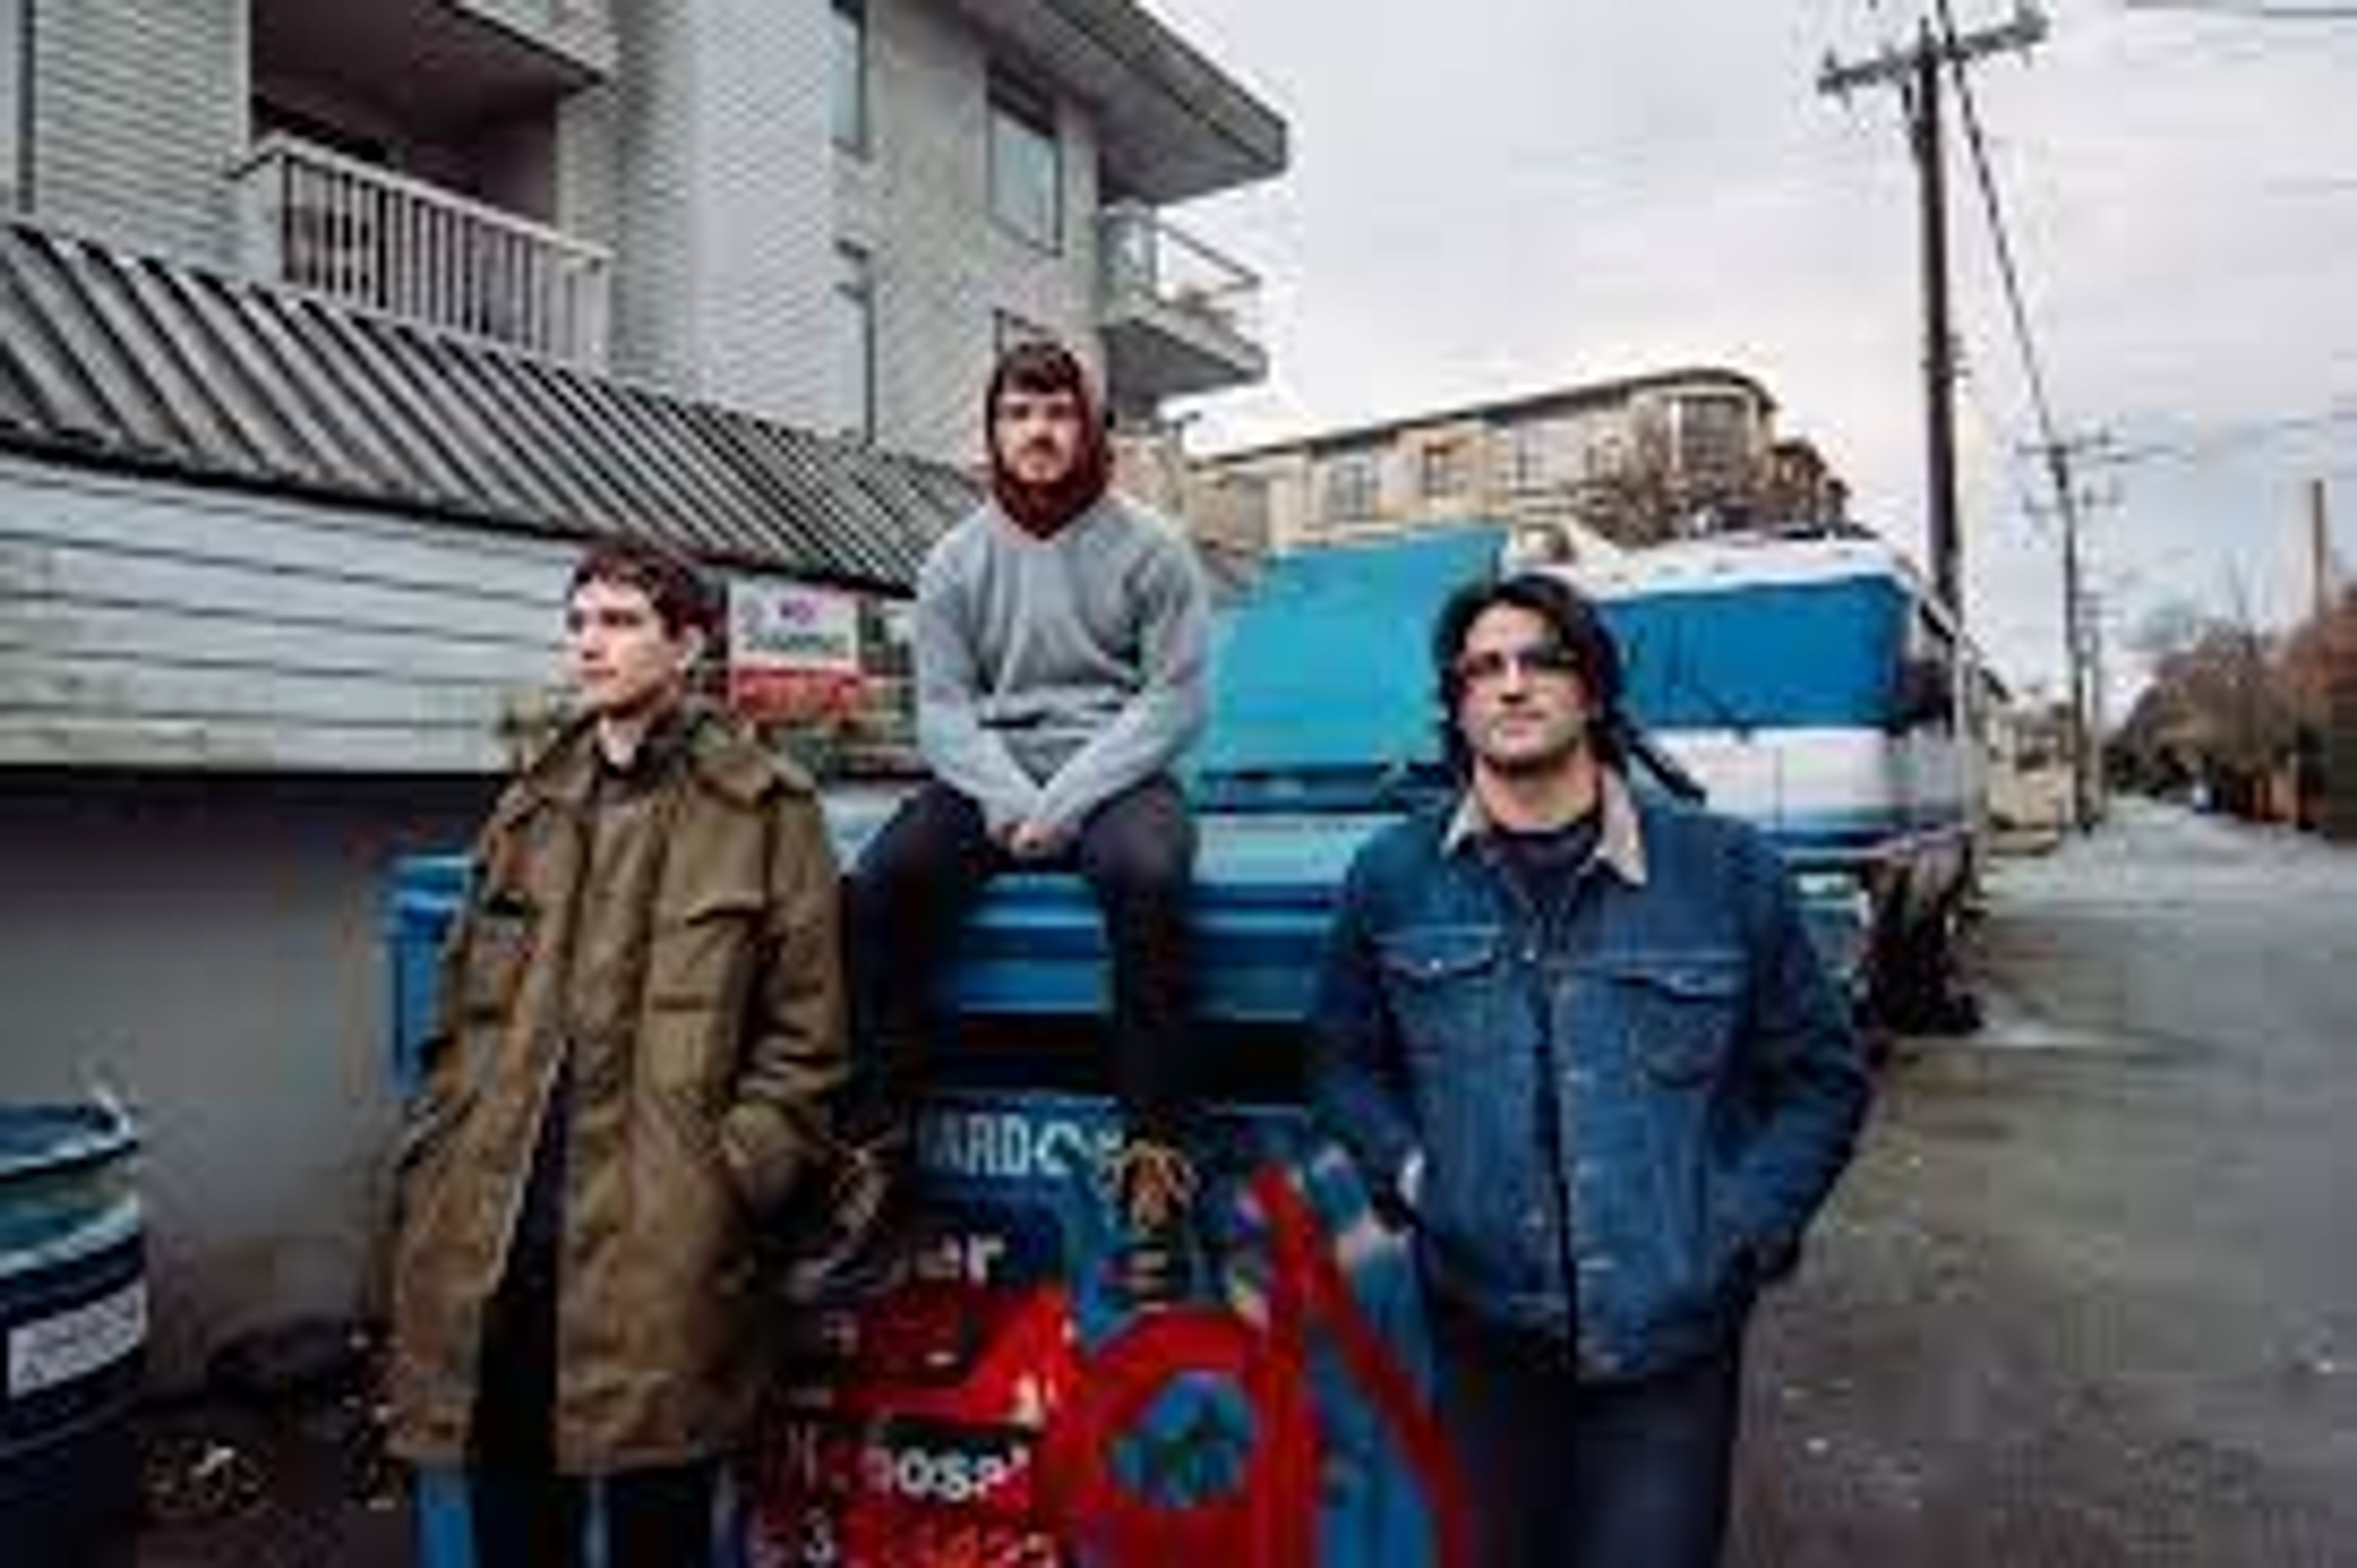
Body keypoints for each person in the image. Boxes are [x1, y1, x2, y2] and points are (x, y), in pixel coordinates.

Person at [1310, 572, 1870, 1566]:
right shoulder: (1393, 878)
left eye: (1542, 661)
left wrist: (1740, 1229)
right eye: (1483, 668)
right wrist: (1419, 1178)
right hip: (1483, 1335)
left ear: (1595, 690)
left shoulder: (1724, 870)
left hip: (1669, 1345)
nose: (1511, 684)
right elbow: (1343, 1062)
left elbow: (1823, 1079)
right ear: (1456, 704)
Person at [384, 538, 846, 1567]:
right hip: (501, 1230)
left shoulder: (767, 811)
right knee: (514, 1514)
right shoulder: (529, 809)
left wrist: (729, 1175)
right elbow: (458, 1018)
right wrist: (439, 1151)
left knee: (658, 1519)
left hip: (666, 1229)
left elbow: (807, 1039)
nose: (590, 645)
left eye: (621, 622)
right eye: (579, 623)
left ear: (687, 646)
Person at [842, 339, 1210, 1302]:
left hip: (1116, 769)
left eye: (1058, 413)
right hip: (988, 773)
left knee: (1150, 880)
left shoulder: (1154, 548)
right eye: (1019, 413)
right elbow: (942, 712)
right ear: (993, 430)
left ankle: (1155, 1174)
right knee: (880, 887)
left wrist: (1066, 802)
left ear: (1091, 429)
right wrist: (1008, 801)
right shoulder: (954, 561)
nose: (1038, 432)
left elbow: (1173, 702)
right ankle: (879, 1157)